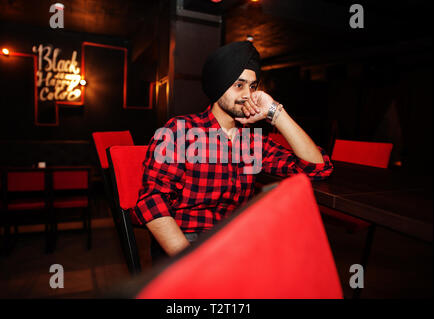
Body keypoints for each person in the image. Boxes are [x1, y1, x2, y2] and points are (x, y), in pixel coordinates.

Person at [132, 41, 333, 260]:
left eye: (253, 86)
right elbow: (152, 201)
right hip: (188, 241)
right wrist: (190, 263)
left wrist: (275, 113)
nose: (248, 94)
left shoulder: (252, 140)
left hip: (236, 240)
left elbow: (318, 168)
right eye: (239, 84)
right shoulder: (180, 130)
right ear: (219, 85)